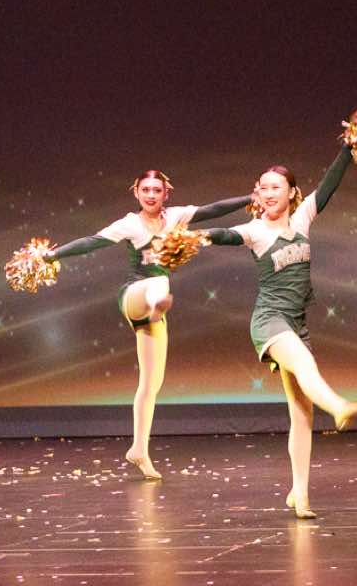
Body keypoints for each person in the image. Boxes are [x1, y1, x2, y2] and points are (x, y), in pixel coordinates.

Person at [42, 171, 250, 479]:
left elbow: (212, 210)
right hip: (134, 296)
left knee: (151, 384)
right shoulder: (130, 224)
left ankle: (139, 449)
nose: (151, 195)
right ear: (136, 193)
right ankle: (155, 306)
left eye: (157, 190)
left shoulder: (176, 217)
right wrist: (53, 255)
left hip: (156, 306)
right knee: (156, 286)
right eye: (145, 190)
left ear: (166, 194)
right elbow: (91, 242)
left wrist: (250, 198)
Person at [202, 144, 357, 518]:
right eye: (263, 187)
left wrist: (348, 146)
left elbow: (329, 184)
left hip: (296, 323)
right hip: (269, 322)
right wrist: (194, 237)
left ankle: (301, 495)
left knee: (301, 414)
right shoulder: (255, 231)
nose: (268, 193)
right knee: (306, 365)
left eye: (276, 187)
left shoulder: (302, 219)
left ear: (292, 192)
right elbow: (224, 235)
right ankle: (338, 405)